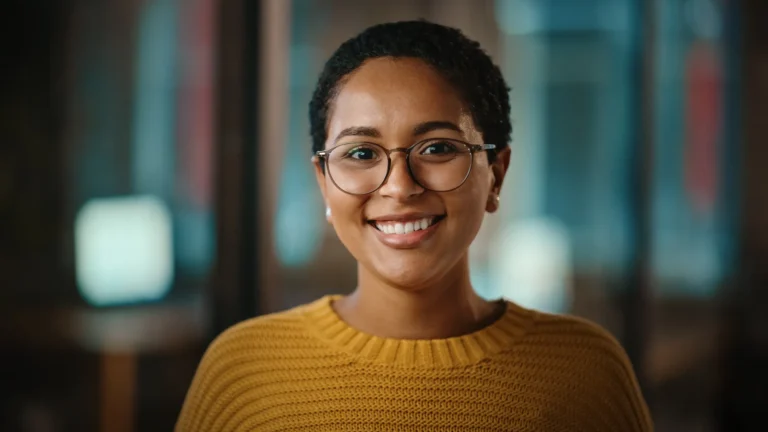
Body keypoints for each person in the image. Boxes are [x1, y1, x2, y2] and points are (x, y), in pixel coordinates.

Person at [176, 20, 653, 431]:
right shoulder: (243, 370)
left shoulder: (587, 373)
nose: (399, 187)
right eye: (361, 154)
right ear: (323, 183)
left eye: (438, 148)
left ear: (496, 175)